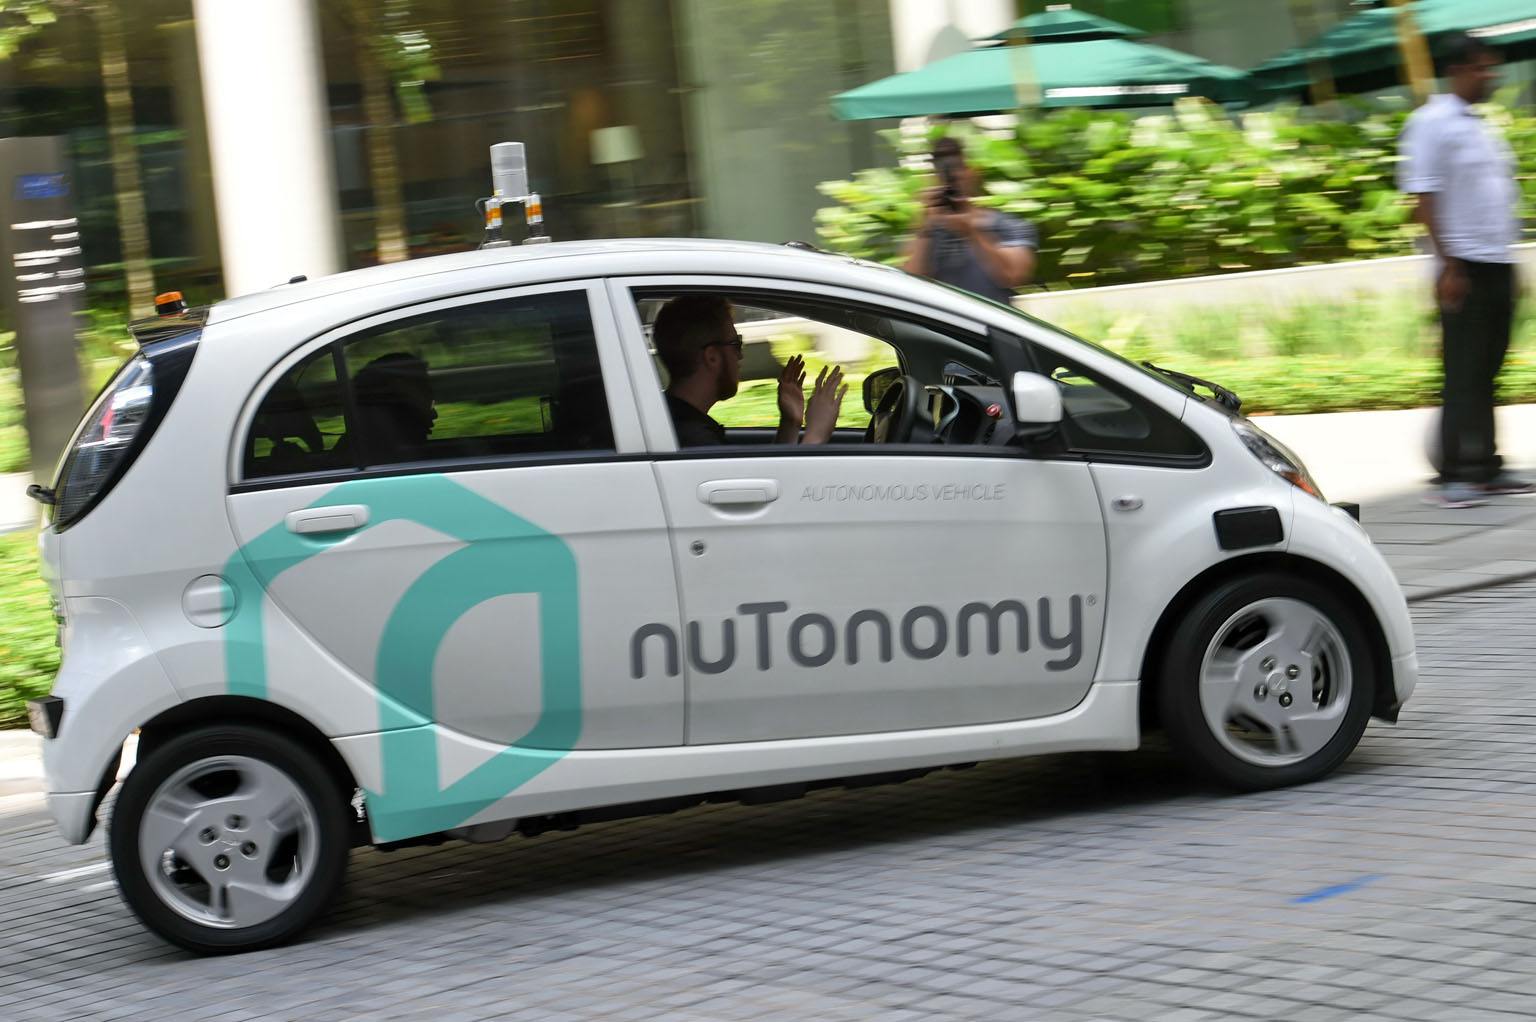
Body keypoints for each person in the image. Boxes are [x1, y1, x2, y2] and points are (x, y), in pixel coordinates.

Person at [1398, 32, 1533, 508]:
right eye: (1482, 67)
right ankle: (1454, 474)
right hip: (1464, 266)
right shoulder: (1430, 122)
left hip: (1496, 263)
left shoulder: (1481, 125)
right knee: (1463, 372)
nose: (1491, 74)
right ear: (1457, 69)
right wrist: (1449, 266)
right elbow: (1424, 198)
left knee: (1490, 371)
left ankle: (1487, 467)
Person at [653, 295, 846, 447]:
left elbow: (766, 485)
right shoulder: (694, 439)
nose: (740, 356)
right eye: (736, 344)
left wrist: (791, 422)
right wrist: (816, 435)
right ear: (711, 356)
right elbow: (781, 494)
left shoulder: (675, 422)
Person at [902, 136, 1038, 306]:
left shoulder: (1005, 224)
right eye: (941, 169)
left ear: (973, 172)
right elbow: (909, 285)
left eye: (957, 166)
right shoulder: (928, 231)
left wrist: (972, 232)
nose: (951, 176)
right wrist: (925, 225)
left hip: (994, 326)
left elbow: (1013, 275)